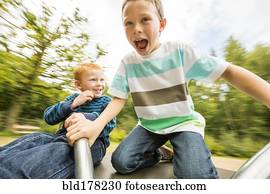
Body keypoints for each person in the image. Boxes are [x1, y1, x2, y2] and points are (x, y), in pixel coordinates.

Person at [65, 0, 270, 179]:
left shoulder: (178, 51)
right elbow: (118, 99)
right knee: (121, 162)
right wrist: (96, 126)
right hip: (149, 126)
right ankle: (162, 153)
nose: (136, 28)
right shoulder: (128, 62)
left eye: (145, 19)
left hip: (183, 123)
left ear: (161, 24)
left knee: (193, 175)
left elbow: (229, 72)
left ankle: (185, 154)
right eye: (129, 23)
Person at [0, 63, 116, 178]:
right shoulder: (72, 99)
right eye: (93, 80)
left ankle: (8, 175)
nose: (99, 84)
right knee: (36, 138)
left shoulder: (106, 101)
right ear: (78, 85)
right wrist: (73, 104)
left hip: (92, 143)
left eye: (102, 80)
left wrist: (85, 117)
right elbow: (48, 117)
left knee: (57, 151)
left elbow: (110, 122)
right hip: (61, 136)